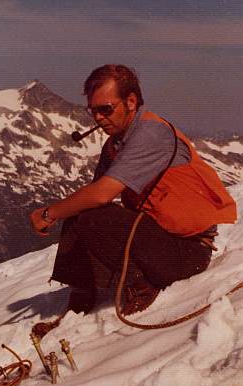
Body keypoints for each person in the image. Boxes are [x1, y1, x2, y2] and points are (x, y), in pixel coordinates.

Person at [30, 64, 237, 331]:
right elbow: (91, 196)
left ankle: (144, 284)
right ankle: (80, 301)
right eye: (93, 111)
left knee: (89, 212)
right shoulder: (116, 143)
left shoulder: (151, 134)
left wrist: (49, 214)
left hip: (188, 253)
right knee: (79, 211)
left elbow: (102, 194)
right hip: (162, 242)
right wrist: (65, 211)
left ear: (131, 101)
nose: (99, 118)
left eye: (106, 109)